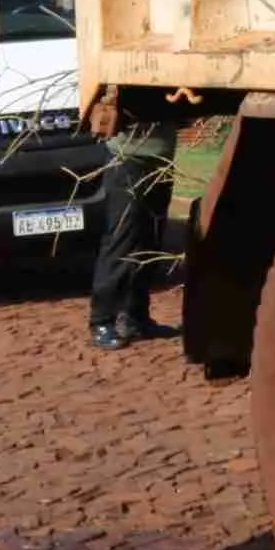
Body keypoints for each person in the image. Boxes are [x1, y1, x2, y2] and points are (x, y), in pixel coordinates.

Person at [84, 86, 184, 351]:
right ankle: (101, 319)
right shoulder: (129, 74)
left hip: (160, 160)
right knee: (122, 239)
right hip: (127, 159)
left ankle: (135, 316)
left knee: (150, 239)